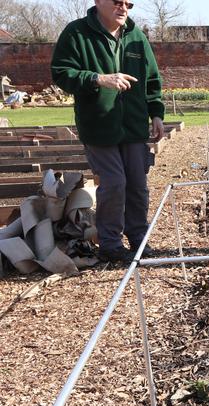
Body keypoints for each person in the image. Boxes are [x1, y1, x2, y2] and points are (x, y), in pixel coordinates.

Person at [51, 0, 165, 263]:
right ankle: (110, 245)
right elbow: (61, 73)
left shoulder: (136, 36)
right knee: (114, 183)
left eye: (128, 4)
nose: (123, 8)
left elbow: (151, 79)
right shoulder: (77, 33)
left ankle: (139, 238)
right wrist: (98, 79)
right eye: (117, 2)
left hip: (134, 126)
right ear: (98, 1)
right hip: (99, 126)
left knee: (137, 185)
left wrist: (156, 114)